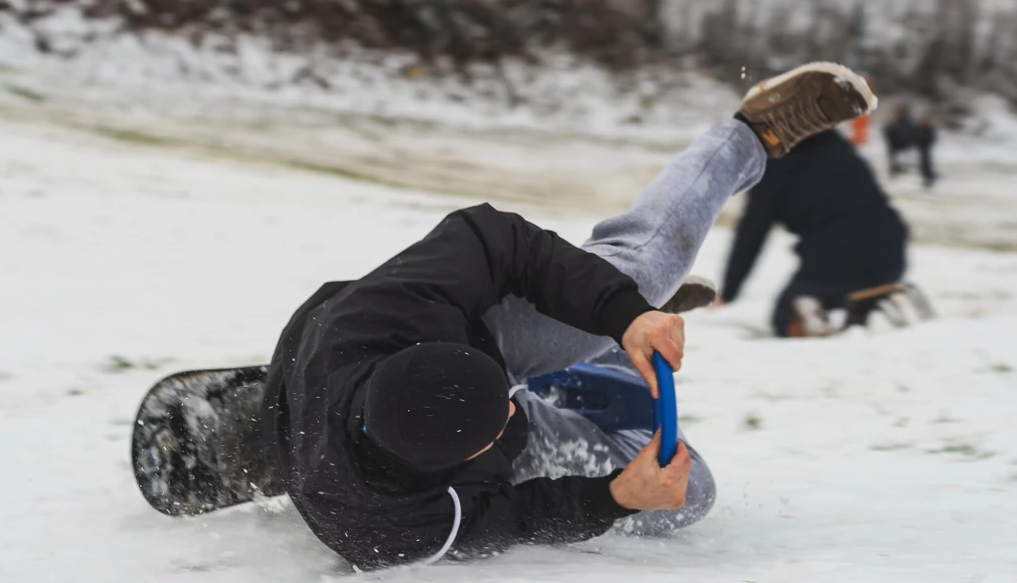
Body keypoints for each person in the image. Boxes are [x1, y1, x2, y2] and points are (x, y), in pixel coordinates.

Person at [261, 62, 877, 570]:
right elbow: (515, 517)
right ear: (458, 463)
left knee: (637, 277)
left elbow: (498, 241)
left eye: (505, 397)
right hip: (451, 428)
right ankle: (597, 357)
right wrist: (615, 497)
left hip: (449, 339)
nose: (511, 404)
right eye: (504, 413)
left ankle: (749, 136)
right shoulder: (398, 523)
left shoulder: (382, 313)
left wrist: (623, 311)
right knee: (687, 495)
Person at [720, 127, 907, 337]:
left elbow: (751, 233)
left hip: (838, 257)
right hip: (892, 251)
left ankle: (806, 308)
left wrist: (728, 292)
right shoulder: (833, 142)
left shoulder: (771, 167)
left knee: (784, 315)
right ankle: (855, 312)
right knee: (846, 286)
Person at [883, 104, 938, 188]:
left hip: (911, 143)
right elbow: (890, 136)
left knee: (924, 153)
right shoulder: (894, 125)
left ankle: (927, 175)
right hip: (899, 144)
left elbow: (919, 136)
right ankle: (895, 169)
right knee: (892, 151)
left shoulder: (911, 124)